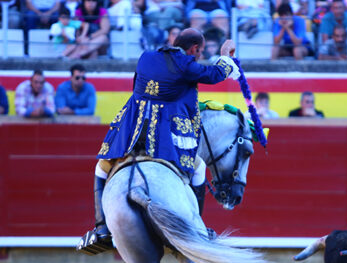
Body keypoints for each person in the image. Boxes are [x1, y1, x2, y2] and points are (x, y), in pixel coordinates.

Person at [81, 28, 240, 250]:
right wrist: (225, 54)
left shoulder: (146, 56)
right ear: (194, 49)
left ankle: (100, 228)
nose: (199, 55)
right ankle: (197, 230)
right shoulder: (186, 65)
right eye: (200, 51)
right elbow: (214, 75)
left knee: (101, 167)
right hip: (164, 135)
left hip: (132, 131)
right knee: (197, 167)